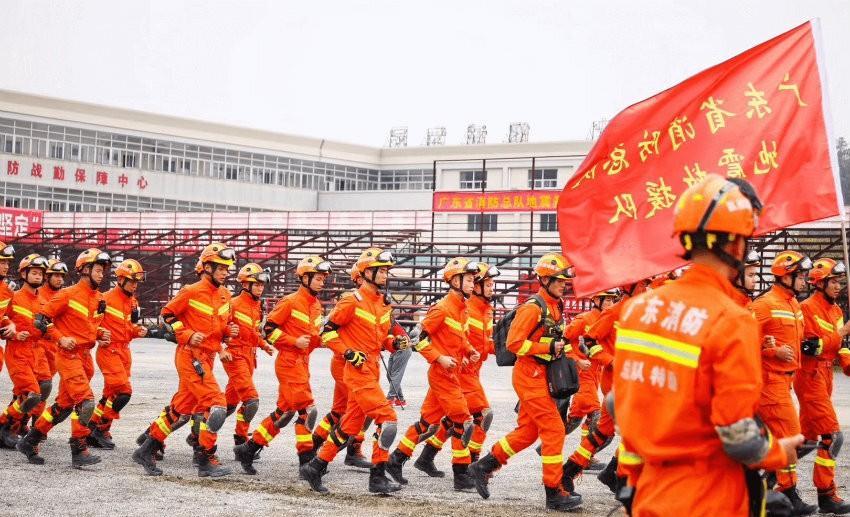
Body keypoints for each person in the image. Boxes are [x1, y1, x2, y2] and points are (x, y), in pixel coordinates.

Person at [611, 173, 802, 516]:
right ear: (736, 245)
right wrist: (779, 452)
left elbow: (618, 404)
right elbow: (739, 437)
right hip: (708, 497)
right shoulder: (732, 319)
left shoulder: (638, 309)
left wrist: (632, 479)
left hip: (650, 495)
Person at [468, 253, 583, 511]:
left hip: (541, 375)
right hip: (529, 376)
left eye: (564, 280)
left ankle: (484, 466)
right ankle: (554, 492)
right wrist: (548, 345)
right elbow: (514, 344)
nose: (563, 284)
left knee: (529, 432)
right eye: (559, 280)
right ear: (544, 280)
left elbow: (556, 339)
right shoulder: (532, 307)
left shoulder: (556, 305)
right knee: (554, 429)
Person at [300, 247, 408, 494]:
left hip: (372, 370)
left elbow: (380, 342)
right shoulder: (351, 300)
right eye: (380, 271)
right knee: (388, 419)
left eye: (386, 271)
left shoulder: (382, 304)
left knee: (349, 425)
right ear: (365, 272)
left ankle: (315, 467)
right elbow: (326, 332)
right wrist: (347, 352)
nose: (385, 275)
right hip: (357, 371)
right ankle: (377, 476)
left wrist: (394, 344)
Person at [132, 242, 237, 478]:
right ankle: (205, 458)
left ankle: (145, 450)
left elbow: (219, 326)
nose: (225, 272)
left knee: (182, 408)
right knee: (217, 404)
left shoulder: (224, 295)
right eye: (220, 267)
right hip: (190, 356)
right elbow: (166, 316)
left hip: (207, 358)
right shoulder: (190, 291)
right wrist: (187, 334)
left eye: (227, 268)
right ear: (207, 267)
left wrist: (228, 334)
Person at [386, 257, 480, 490]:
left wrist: (469, 350)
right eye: (468, 280)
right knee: (463, 420)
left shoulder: (462, 309)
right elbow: (417, 340)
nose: (472, 284)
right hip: (441, 374)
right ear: (454, 281)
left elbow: (460, 338)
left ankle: (395, 460)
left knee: (427, 424)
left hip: (452, 373)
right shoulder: (442, 308)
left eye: (472, 280)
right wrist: (439, 357)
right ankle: (461, 474)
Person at [18, 248, 111, 467]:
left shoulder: (98, 298)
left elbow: (87, 325)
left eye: (102, 271)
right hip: (68, 356)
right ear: (85, 270)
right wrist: (60, 338)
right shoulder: (67, 294)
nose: (101, 275)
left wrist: (99, 333)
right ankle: (78, 448)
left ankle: (30, 440)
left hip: (86, 357)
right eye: (98, 270)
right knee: (86, 402)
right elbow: (41, 319)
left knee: (63, 406)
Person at [233, 257, 327, 475]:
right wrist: (293, 341)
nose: (322, 283)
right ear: (305, 278)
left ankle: (249, 448)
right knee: (307, 411)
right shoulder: (290, 302)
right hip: (289, 362)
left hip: (303, 363)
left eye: (323, 279)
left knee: (284, 414)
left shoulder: (316, 306)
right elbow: (269, 330)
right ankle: (307, 460)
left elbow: (314, 336)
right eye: (319, 278)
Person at [750, 250, 818, 514]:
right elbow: (742, 341)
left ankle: (764, 484)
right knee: (792, 438)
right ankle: (786, 493)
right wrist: (771, 351)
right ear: (785, 276)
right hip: (770, 383)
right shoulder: (763, 305)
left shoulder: (793, 304)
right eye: (800, 276)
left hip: (786, 381)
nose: (805, 281)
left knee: (779, 439)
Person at [795, 258, 850, 514]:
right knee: (832, 436)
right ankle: (827, 494)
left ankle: (771, 478)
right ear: (820, 283)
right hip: (810, 376)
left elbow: (840, 347)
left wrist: (847, 363)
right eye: (834, 282)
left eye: (840, 281)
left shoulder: (837, 311)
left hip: (826, 376)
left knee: (805, 440)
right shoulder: (806, 308)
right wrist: (841, 333)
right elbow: (811, 347)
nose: (839, 286)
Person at [87, 259, 148, 449]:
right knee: (123, 392)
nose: (134, 285)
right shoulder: (104, 299)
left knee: (109, 394)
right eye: (131, 281)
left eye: (137, 282)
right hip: (109, 351)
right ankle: (101, 428)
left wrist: (137, 331)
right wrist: (97, 336)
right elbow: (90, 323)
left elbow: (130, 328)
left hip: (124, 351)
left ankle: (92, 428)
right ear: (120, 279)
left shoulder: (133, 302)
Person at [0, 254, 50, 449]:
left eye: (40, 273)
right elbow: (3, 323)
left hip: (37, 351)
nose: (38, 276)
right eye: (34, 272)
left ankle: (14, 424)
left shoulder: (43, 302)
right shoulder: (13, 297)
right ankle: (6, 426)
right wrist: (12, 335)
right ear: (24, 274)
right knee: (32, 394)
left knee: (44, 387)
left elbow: (48, 327)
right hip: (18, 352)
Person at [223, 263, 272, 454]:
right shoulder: (233, 304)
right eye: (257, 284)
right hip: (235, 356)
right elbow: (219, 327)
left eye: (262, 285)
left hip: (250, 356)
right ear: (245, 284)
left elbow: (253, 332)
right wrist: (221, 345)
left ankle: (198, 430)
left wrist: (263, 344)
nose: (260, 288)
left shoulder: (257, 306)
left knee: (229, 404)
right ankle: (241, 440)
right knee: (251, 400)